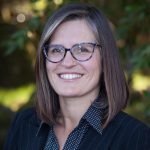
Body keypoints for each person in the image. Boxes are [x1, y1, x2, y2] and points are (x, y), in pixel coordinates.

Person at [4, 3, 150, 150]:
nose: (67, 62)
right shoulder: (24, 123)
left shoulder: (135, 138)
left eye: (82, 50)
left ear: (106, 59)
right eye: (56, 50)